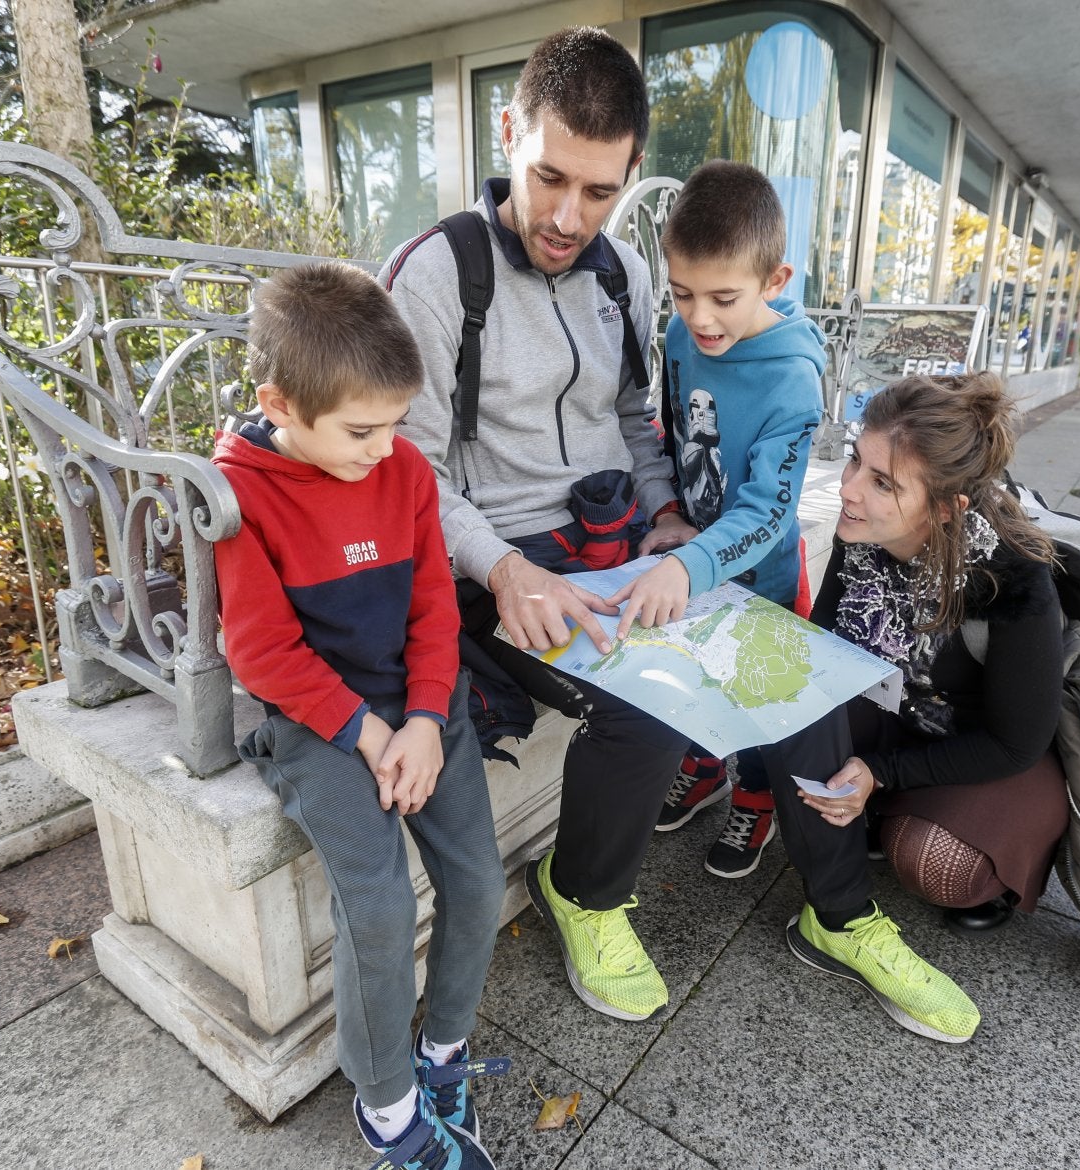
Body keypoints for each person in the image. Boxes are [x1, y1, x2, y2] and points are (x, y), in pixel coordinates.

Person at [382, 27, 695, 1024]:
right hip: (489, 564)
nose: (568, 216)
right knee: (647, 707)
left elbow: (633, 422)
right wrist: (501, 568)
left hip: (607, 546)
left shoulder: (621, 279)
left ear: (630, 174)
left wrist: (668, 518)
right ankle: (586, 892)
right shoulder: (434, 278)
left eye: (599, 192)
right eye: (549, 177)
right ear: (509, 130)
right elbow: (406, 474)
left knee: (733, 637)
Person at [213, 264, 508, 1170]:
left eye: (396, 424)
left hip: (422, 704)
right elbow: (260, 653)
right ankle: (385, 1107)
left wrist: (423, 718)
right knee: (376, 910)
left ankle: (442, 1053)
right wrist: (367, 732)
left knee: (480, 882)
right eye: (359, 430)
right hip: (316, 720)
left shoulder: (404, 469)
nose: (384, 449)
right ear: (281, 404)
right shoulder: (239, 490)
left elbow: (433, 609)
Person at [759, 373, 1068, 1043]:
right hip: (896, 710)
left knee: (936, 864)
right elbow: (832, 654)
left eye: (883, 484)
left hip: (983, 746)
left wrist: (876, 772)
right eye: (854, 462)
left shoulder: (1013, 576)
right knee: (789, 694)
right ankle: (838, 909)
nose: (847, 490)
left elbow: (1016, 742)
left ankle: (948, 838)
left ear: (948, 508)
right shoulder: (860, 531)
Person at [618, 160, 825, 879]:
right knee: (700, 679)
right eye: (681, 294)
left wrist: (691, 562)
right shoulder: (682, 337)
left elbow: (770, 512)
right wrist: (673, 515)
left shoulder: (794, 379)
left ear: (776, 280)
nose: (700, 318)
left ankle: (757, 796)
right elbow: (672, 428)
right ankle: (704, 768)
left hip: (763, 575)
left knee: (757, 696)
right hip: (693, 556)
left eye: (723, 298)